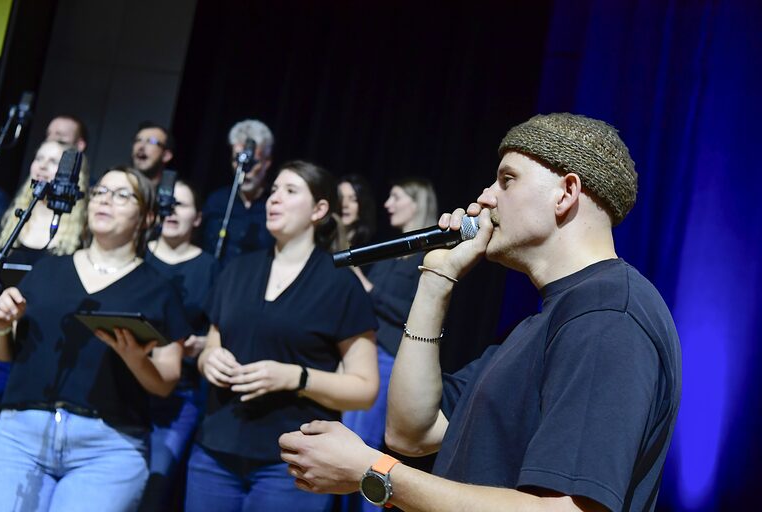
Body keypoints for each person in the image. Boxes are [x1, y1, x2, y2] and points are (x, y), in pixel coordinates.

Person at [279, 113, 682, 512]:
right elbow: (411, 431)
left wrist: (374, 470)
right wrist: (438, 277)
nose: (485, 197)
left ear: (566, 193)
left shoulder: (606, 315)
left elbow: (564, 510)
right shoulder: (541, 321)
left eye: (507, 180)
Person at [186, 161, 379, 512]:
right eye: (274, 190)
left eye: (290, 191)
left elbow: (364, 389)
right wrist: (208, 358)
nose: (274, 199)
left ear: (319, 210)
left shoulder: (341, 284)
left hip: (293, 461)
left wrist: (295, 376)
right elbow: (213, 339)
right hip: (214, 451)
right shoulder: (237, 270)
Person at [0, 166, 190, 511]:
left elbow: (166, 383)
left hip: (106, 447)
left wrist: (134, 359)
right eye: (100, 192)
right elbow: (7, 355)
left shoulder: (158, 289)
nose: (105, 201)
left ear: (146, 217)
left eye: (121, 195)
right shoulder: (47, 270)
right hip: (22, 435)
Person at [340, 177, 438, 512]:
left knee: (364, 449)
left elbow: (415, 313)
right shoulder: (389, 252)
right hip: (364, 352)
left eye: (396, 196)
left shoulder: (427, 257)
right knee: (345, 445)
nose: (387, 204)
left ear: (416, 202)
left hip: (389, 358)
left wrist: (367, 289)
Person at [139, 178, 221, 511]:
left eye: (182, 205)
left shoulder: (210, 267)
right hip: (124, 383)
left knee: (154, 486)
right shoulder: (138, 253)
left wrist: (201, 345)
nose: (172, 211)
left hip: (179, 393)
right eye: (168, 203)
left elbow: (217, 332)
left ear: (198, 218)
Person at [0, 140, 89, 424]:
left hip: (36, 346)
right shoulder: (10, 221)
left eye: (53, 161)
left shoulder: (81, 233)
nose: (43, 166)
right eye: (39, 158)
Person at [200, 119, 275, 264]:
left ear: (267, 162)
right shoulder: (217, 201)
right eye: (238, 159)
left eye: (253, 162)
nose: (245, 169)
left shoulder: (275, 205)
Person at [335, 174, 377, 251]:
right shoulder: (323, 243)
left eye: (353, 199)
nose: (345, 204)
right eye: (341, 198)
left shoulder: (371, 246)